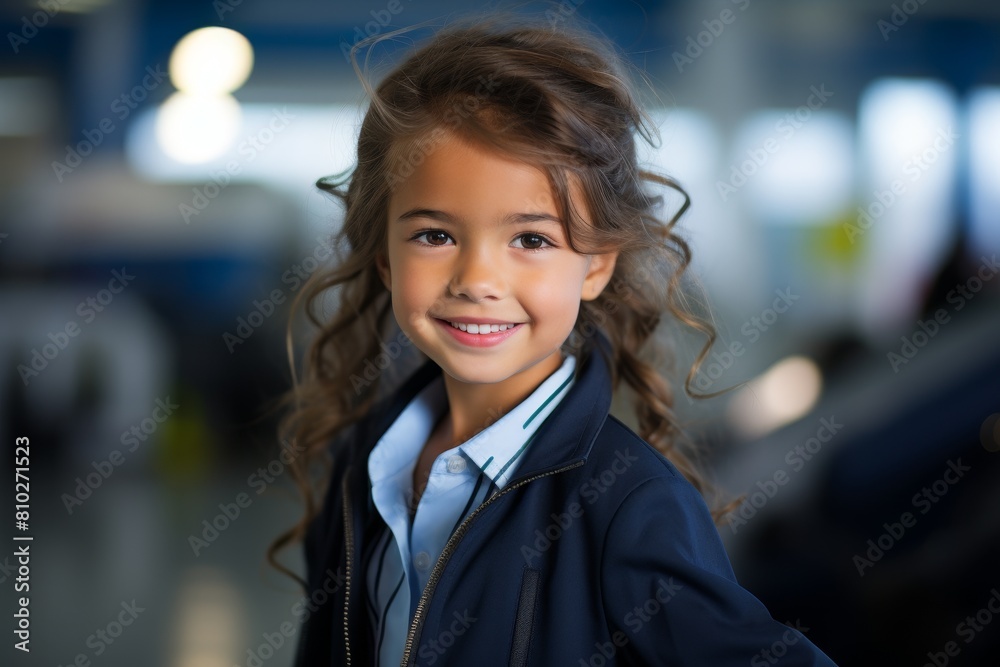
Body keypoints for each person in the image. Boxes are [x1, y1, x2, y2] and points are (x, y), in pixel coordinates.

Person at [273, 14, 838, 667]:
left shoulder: (628, 504)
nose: (478, 279)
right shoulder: (364, 465)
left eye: (532, 239)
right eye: (435, 234)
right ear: (383, 258)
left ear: (596, 265)